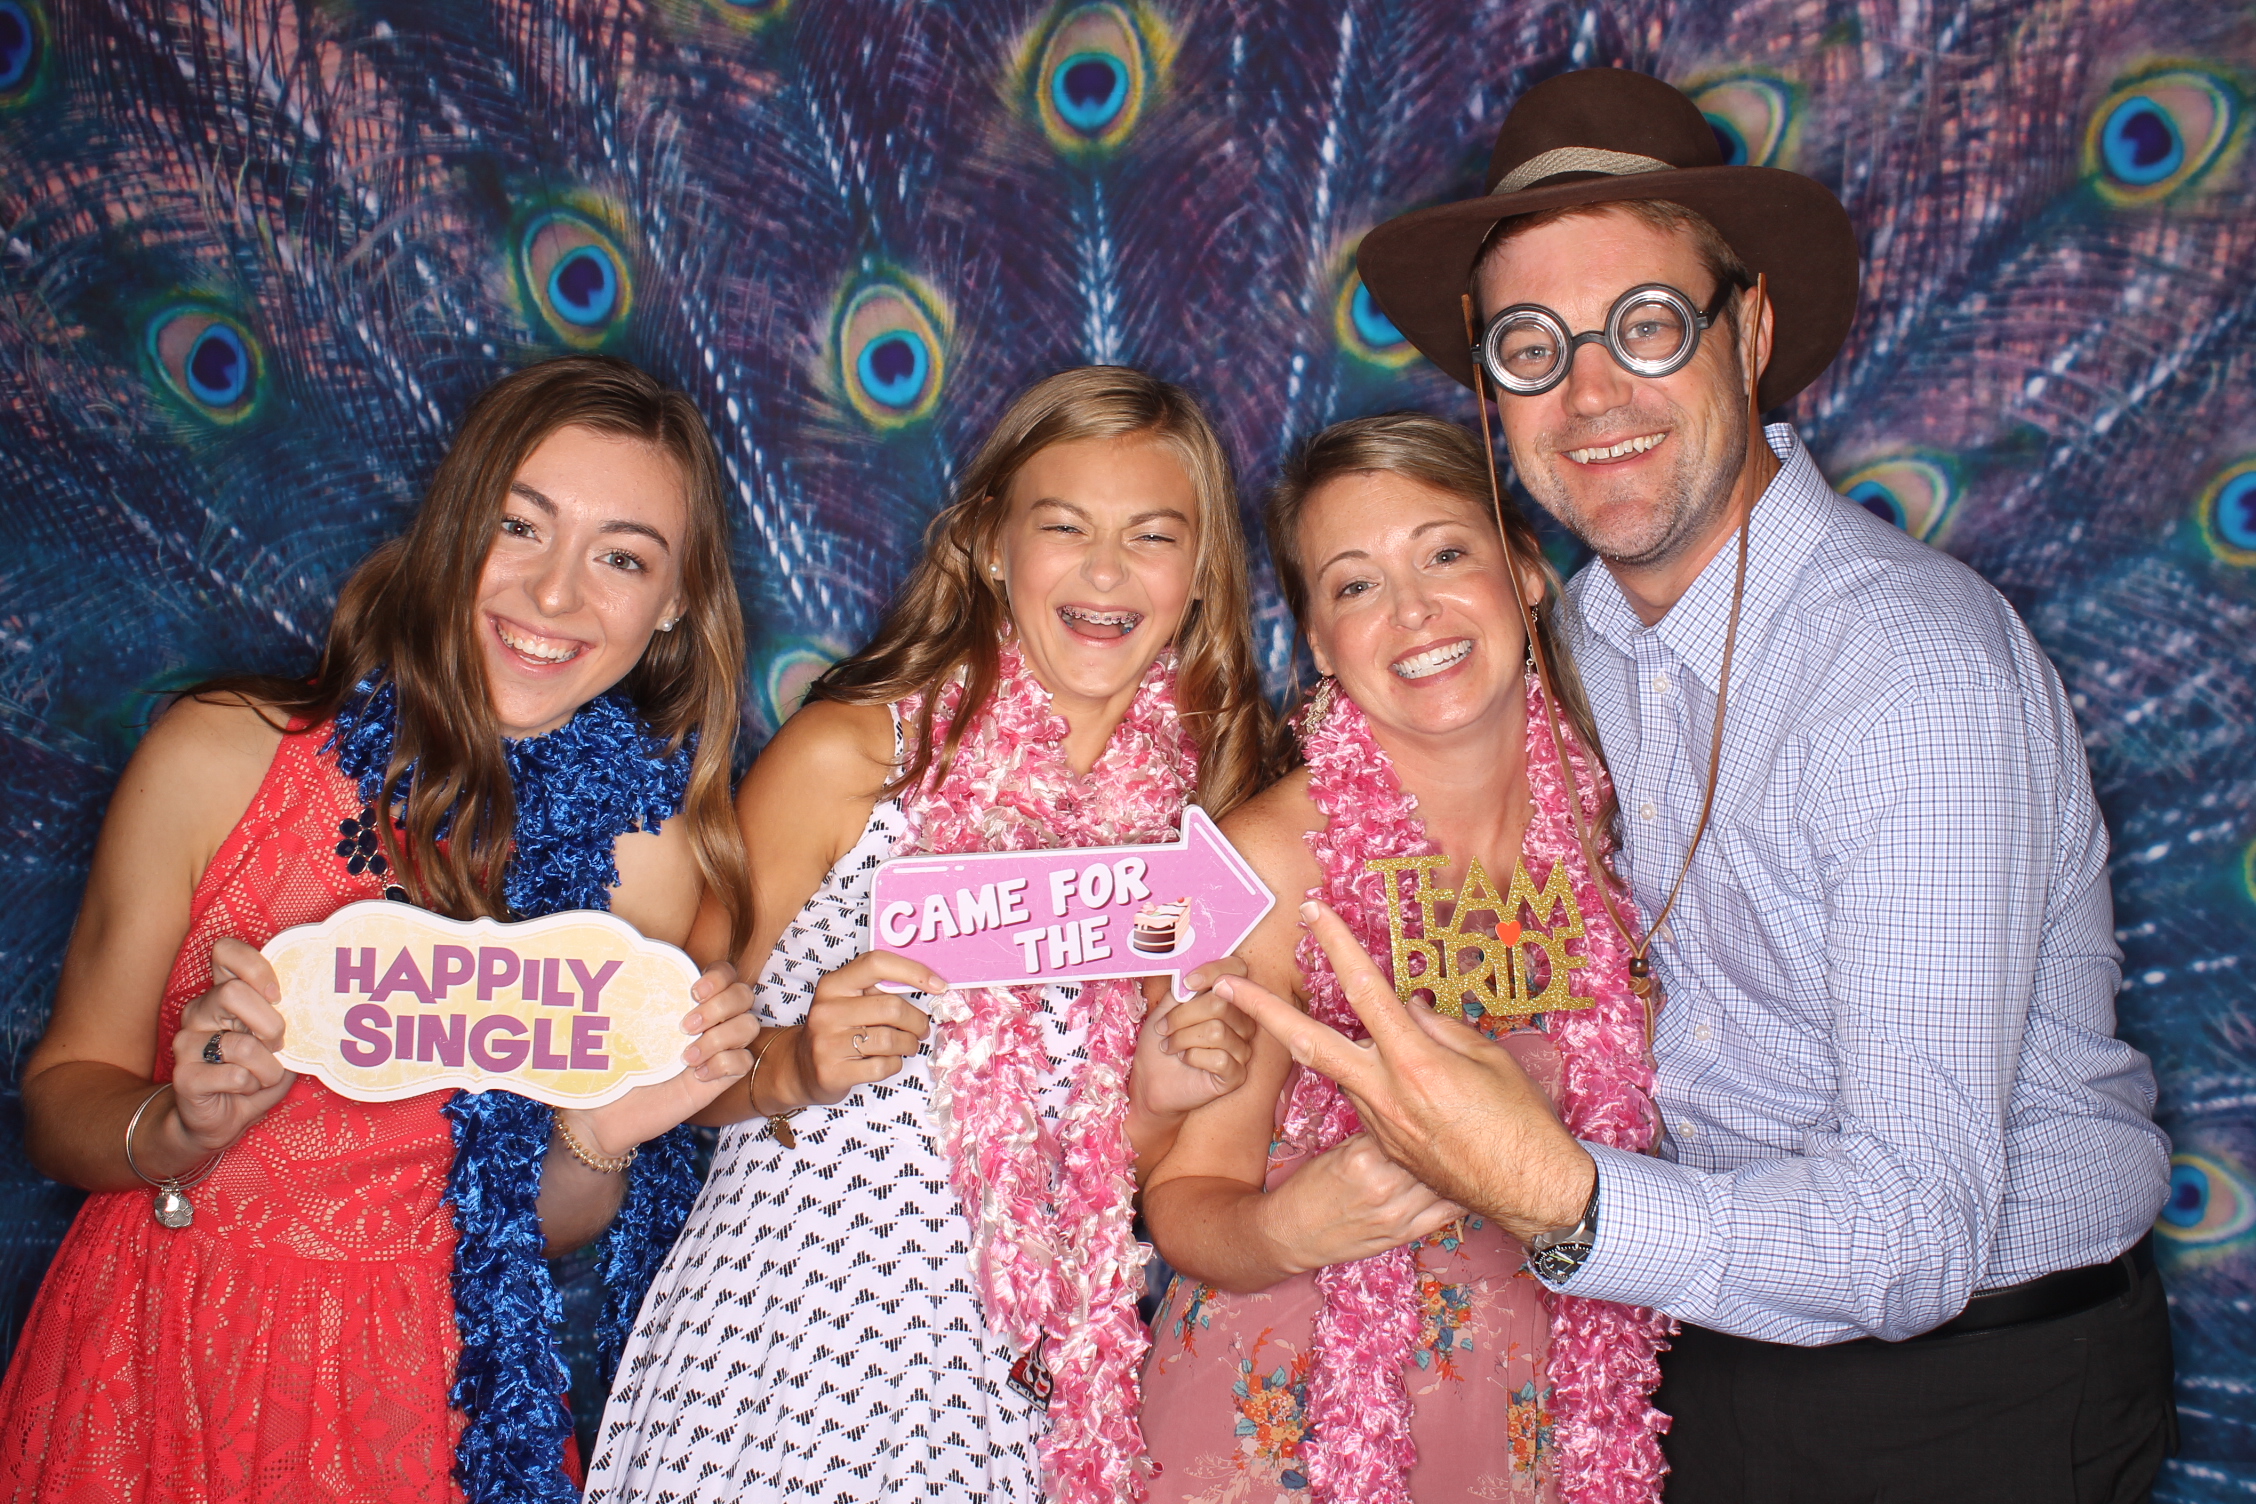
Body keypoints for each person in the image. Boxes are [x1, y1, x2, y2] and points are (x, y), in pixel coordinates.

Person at [1221, 66, 2175, 1503]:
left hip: (1966, 1392)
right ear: (1490, 390)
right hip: (1699, 1350)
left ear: (1753, 333)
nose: (1592, 395)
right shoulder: (1573, 644)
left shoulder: (1909, 678)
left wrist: (1554, 1193)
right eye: (1533, 348)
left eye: (1647, 326)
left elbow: (1917, 1233)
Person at [0, 354, 764, 1503]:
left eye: (620, 558)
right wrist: (172, 1119)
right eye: (519, 524)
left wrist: (602, 1138)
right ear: (454, 527)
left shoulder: (645, 872)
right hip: (163, 1352)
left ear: (674, 610)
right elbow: (65, 1090)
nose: (554, 596)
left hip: (423, 1398)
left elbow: (539, 1222)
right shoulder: (220, 758)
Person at [583, 366, 1272, 1504]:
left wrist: (1156, 1094)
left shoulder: (1193, 834)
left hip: (1014, 1396)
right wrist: (793, 1061)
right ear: (994, 546)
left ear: (1200, 577)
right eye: (1065, 528)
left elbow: (1113, 1172)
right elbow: (658, 1060)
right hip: (788, 1356)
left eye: (1153, 536)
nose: (1106, 572)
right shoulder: (853, 756)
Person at [1138, 413, 1671, 1504]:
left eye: (1444, 553)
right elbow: (1182, 1196)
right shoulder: (1259, 860)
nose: (1414, 612)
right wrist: (1292, 1224)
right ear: (1322, 643)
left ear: (1524, 571)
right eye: (1353, 585)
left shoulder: (1637, 823)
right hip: (1289, 1425)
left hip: (1549, 1421)